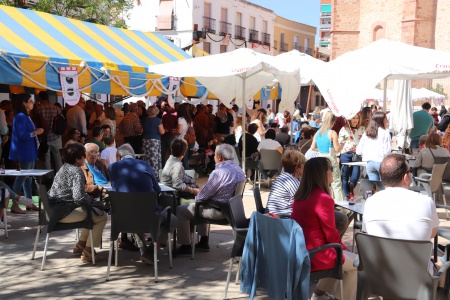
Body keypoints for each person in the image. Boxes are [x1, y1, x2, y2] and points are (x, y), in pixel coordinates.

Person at [291, 157, 357, 300]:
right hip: (317, 255)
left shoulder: (300, 196)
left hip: (302, 252)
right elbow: (331, 234)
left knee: (342, 260)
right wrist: (343, 248)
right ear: (321, 173)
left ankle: (319, 295)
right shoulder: (322, 198)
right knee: (357, 264)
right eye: (331, 169)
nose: (333, 172)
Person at [108, 143, 177, 265]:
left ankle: (144, 250)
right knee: (173, 219)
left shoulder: (112, 167)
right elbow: (158, 190)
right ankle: (150, 250)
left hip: (122, 217)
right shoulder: (145, 165)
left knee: (133, 211)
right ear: (133, 156)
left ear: (118, 156)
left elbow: (116, 188)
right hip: (147, 216)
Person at [175, 144, 246, 255]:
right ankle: (203, 241)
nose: (213, 158)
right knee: (203, 203)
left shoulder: (219, 173)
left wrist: (194, 190)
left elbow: (202, 196)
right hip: (231, 211)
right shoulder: (239, 170)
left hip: (218, 211)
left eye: (214, 156)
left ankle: (185, 245)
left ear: (219, 156)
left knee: (182, 209)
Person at [48, 143, 107, 263]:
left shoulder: (63, 167)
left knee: (92, 213)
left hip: (52, 211)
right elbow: (78, 198)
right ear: (77, 159)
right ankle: (88, 252)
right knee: (101, 216)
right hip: (63, 212)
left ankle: (81, 245)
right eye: (83, 156)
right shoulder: (77, 171)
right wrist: (94, 203)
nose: (85, 158)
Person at [9, 93, 43, 213]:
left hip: (30, 150)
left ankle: (29, 202)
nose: (33, 103)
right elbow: (22, 135)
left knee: (28, 177)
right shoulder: (21, 116)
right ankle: (14, 203)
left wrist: (35, 132)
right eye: (30, 101)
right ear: (24, 103)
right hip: (25, 151)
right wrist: (35, 132)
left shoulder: (26, 116)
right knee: (22, 178)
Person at [311, 111, 344, 202]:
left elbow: (313, 147)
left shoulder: (318, 133)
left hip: (320, 158)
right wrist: (341, 146)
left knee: (322, 183)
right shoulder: (333, 133)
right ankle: (340, 203)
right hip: (330, 159)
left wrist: (321, 150)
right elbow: (337, 149)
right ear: (333, 122)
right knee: (336, 184)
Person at [265, 150, 305, 216]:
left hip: (272, 214)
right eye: (304, 164)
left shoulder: (283, 177)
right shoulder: (292, 181)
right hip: (280, 217)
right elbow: (301, 201)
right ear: (297, 168)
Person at [356, 111, 391, 180]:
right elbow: (387, 151)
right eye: (385, 119)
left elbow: (358, 151)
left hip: (369, 162)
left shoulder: (367, 132)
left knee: (373, 187)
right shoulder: (385, 132)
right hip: (381, 161)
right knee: (383, 186)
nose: (387, 120)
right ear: (381, 120)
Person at [339, 113, 365, 198]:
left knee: (355, 177)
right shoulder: (344, 129)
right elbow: (340, 143)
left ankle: (350, 189)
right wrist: (337, 156)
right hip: (345, 155)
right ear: (349, 119)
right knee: (344, 177)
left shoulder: (362, 129)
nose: (355, 120)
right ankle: (348, 196)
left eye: (357, 118)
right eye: (353, 118)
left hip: (357, 155)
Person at [37, 91, 63, 172]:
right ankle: (60, 176)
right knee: (58, 157)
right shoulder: (55, 108)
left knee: (46, 158)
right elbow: (62, 119)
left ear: (39, 98)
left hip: (43, 137)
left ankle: (48, 177)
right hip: (56, 136)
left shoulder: (38, 108)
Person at [142, 105, 164, 177]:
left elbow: (141, 130)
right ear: (156, 112)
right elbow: (162, 132)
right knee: (154, 158)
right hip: (154, 140)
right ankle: (154, 174)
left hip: (145, 140)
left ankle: (146, 172)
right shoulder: (157, 120)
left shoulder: (144, 120)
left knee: (146, 157)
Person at [177, 103, 194, 169]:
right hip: (190, 140)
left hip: (182, 140)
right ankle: (187, 172)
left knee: (184, 158)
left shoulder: (180, 119)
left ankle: (186, 174)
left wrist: (175, 131)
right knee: (186, 158)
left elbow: (180, 131)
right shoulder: (190, 120)